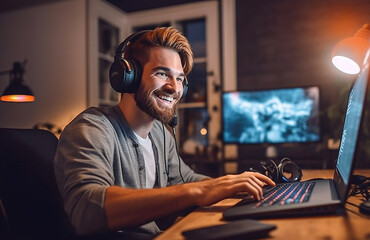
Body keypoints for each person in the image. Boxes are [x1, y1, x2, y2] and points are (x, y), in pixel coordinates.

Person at [54, 26, 275, 237]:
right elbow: (86, 210)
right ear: (127, 76)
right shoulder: (91, 128)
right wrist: (200, 191)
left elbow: (185, 179)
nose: (175, 88)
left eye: (179, 79)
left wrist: (234, 185)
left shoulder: (160, 133)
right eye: (162, 74)